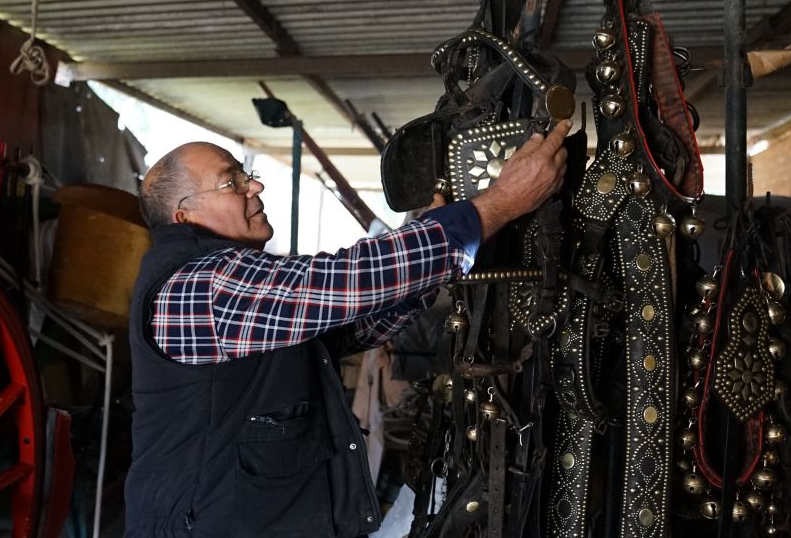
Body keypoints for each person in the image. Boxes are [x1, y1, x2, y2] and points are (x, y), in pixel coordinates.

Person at [126, 121, 571, 537]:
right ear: (184, 216)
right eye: (232, 182)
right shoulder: (195, 287)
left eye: (249, 175)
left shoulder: (237, 284)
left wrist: (433, 253)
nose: (254, 187)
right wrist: (495, 205)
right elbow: (343, 283)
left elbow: (352, 326)